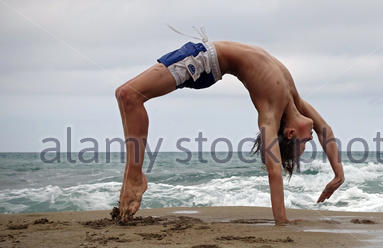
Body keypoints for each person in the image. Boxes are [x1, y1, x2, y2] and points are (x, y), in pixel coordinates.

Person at [114, 30, 344, 225]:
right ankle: (133, 177)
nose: (312, 138)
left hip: (204, 62)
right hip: (204, 57)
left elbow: (274, 171)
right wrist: (338, 174)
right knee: (128, 95)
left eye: (306, 143)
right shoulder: (292, 99)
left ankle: (134, 177)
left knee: (128, 95)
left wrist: (281, 221)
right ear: (291, 132)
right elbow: (326, 130)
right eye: (305, 143)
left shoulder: (271, 112)